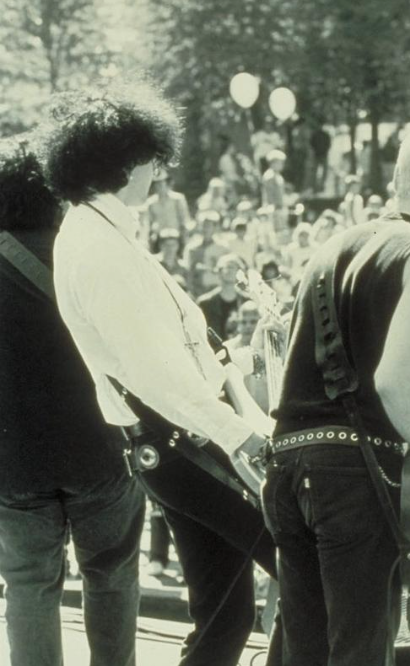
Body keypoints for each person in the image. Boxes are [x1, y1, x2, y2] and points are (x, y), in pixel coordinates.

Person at [44, 81, 282, 665]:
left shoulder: (100, 235)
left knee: (226, 613)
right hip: (187, 447)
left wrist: (245, 357)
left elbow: (169, 356)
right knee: (304, 565)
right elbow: (159, 376)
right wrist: (243, 435)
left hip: (173, 449)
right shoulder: (102, 250)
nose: (159, 171)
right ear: (122, 161)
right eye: (152, 159)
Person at [266, 121, 410, 664]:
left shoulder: (330, 246)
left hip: (288, 464)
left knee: (302, 651)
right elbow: (393, 379)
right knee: (358, 650)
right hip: (353, 475)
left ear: (399, 176)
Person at [0, 138, 146, 666]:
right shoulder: (87, 255)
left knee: (27, 588)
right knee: (110, 579)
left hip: (12, 468)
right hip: (100, 453)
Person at [196, 253, 247, 340]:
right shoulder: (205, 303)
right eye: (227, 267)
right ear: (219, 272)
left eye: (233, 267)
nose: (229, 271)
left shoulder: (246, 302)